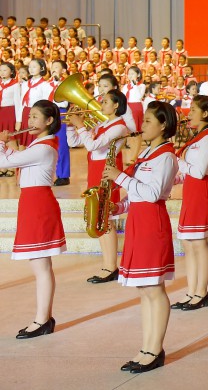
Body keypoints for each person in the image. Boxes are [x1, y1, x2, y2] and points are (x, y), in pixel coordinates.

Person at [106, 101, 179, 373]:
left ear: (163, 125)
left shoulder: (166, 156)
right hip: (138, 221)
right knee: (144, 289)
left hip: (152, 225)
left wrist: (120, 178)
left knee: (154, 288)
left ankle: (155, 348)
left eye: (148, 121)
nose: (143, 125)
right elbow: (138, 194)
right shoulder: (149, 152)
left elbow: (152, 193)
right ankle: (147, 346)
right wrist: (118, 207)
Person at [0, 100, 66, 339]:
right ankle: (44, 318)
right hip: (32, 202)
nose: (30, 122)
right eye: (30, 117)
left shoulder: (44, 147)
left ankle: (42, 320)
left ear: (50, 121)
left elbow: (4, 161)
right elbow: (15, 157)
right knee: (40, 265)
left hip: (38, 205)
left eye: (36, 117)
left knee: (41, 266)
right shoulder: (39, 144)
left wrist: (1, 141)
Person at [65, 88, 131, 283]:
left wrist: (80, 126)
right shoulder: (103, 123)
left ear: (116, 105)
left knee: (105, 217)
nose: (101, 105)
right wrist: (72, 125)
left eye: (105, 101)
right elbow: (75, 141)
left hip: (106, 172)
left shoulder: (119, 126)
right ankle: (107, 265)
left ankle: (111, 266)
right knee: (99, 219)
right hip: (95, 170)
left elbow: (94, 146)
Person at [172, 95, 208, 312]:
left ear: (205, 114)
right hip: (191, 193)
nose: (188, 114)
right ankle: (191, 291)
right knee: (189, 245)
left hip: (201, 195)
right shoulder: (199, 137)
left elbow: (200, 171)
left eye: (193, 110)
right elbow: (189, 171)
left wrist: (176, 161)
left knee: (199, 245)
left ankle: (201, 292)